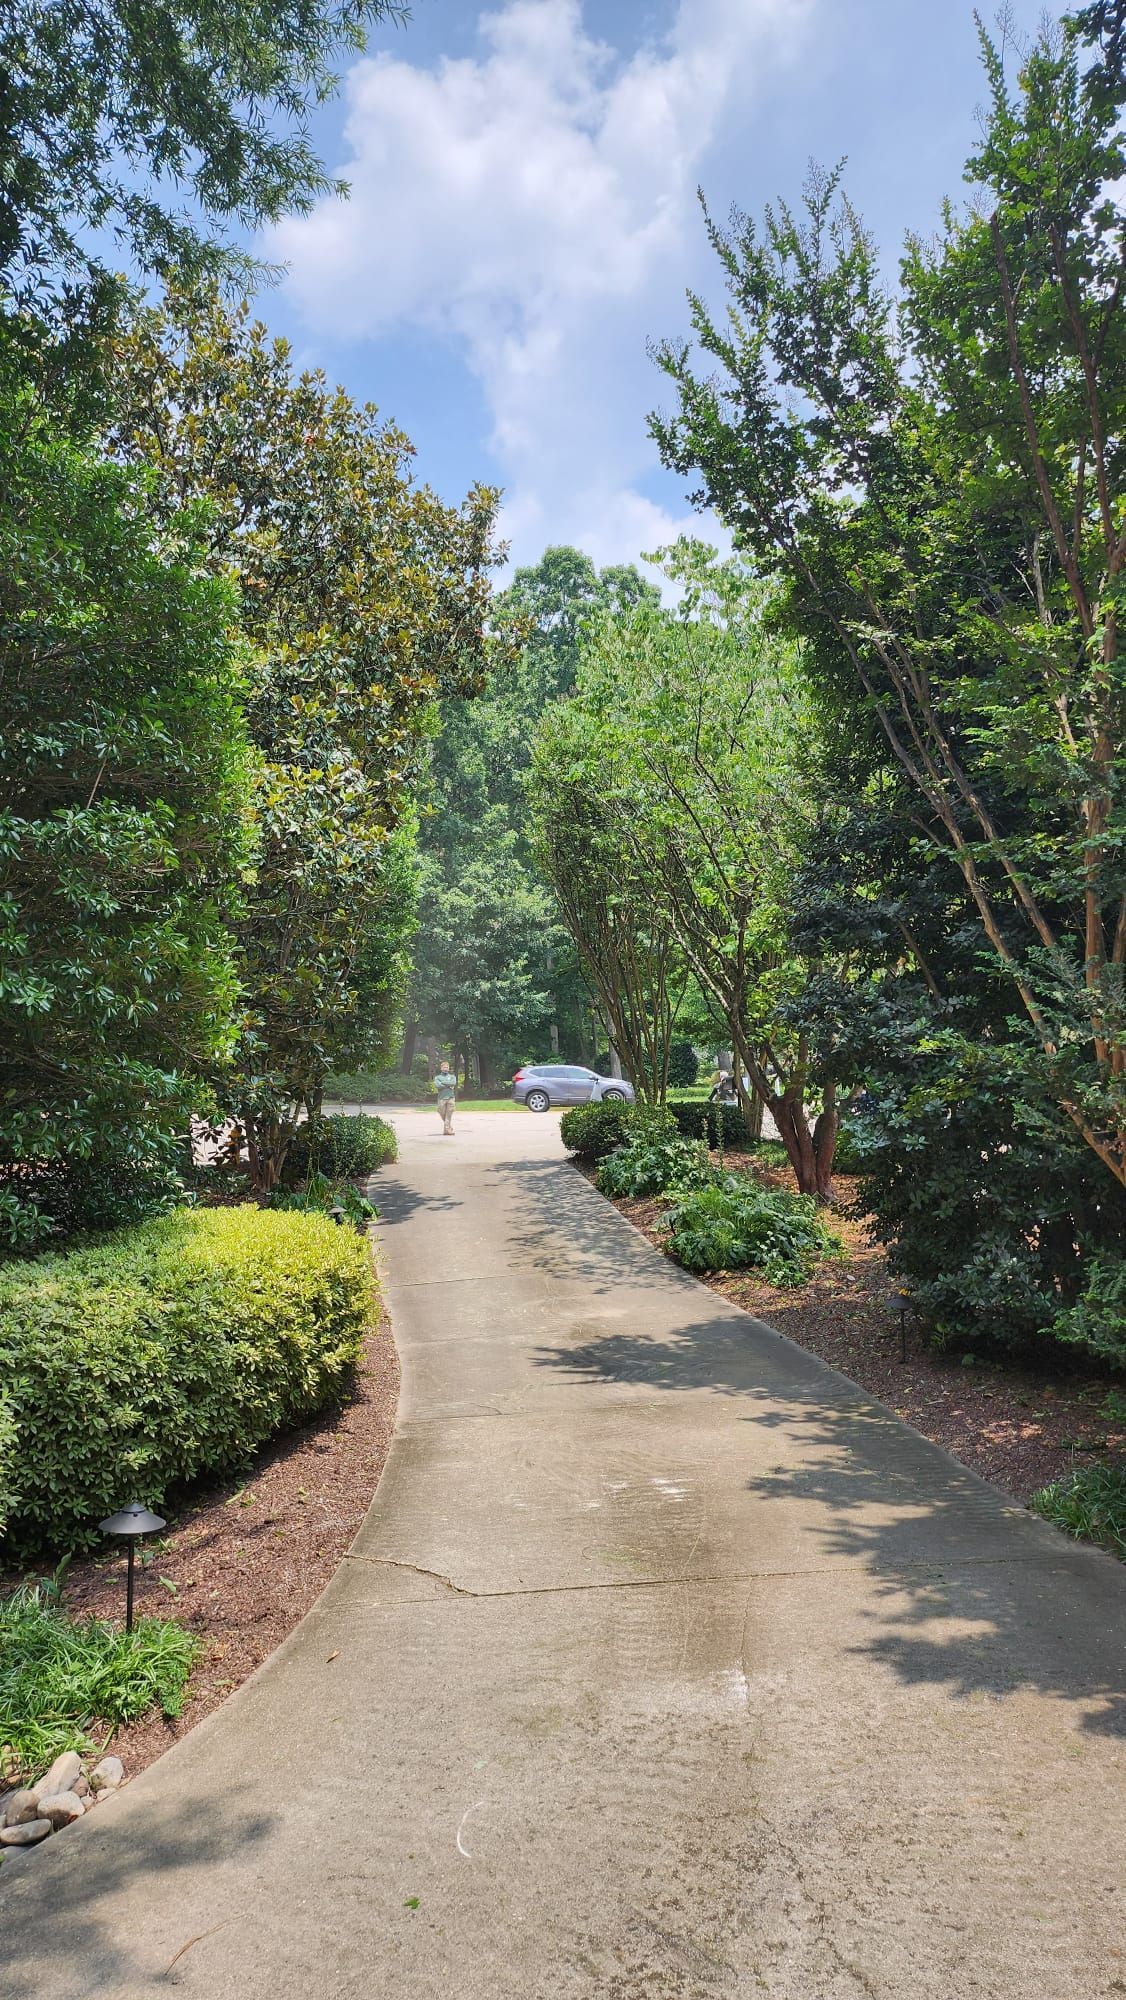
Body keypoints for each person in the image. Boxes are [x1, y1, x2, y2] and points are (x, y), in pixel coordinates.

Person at [433, 1059, 456, 1135]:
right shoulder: (437, 1077)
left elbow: (453, 1083)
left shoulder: (452, 1076)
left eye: (447, 1067)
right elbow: (438, 1085)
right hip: (441, 1098)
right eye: (444, 1067)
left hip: (451, 1097)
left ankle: (447, 1130)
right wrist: (448, 1085)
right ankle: (449, 1127)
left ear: (448, 1068)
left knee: (449, 1114)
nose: (446, 1069)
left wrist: (443, 1083)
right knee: (441, 1112)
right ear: (441, 1068)